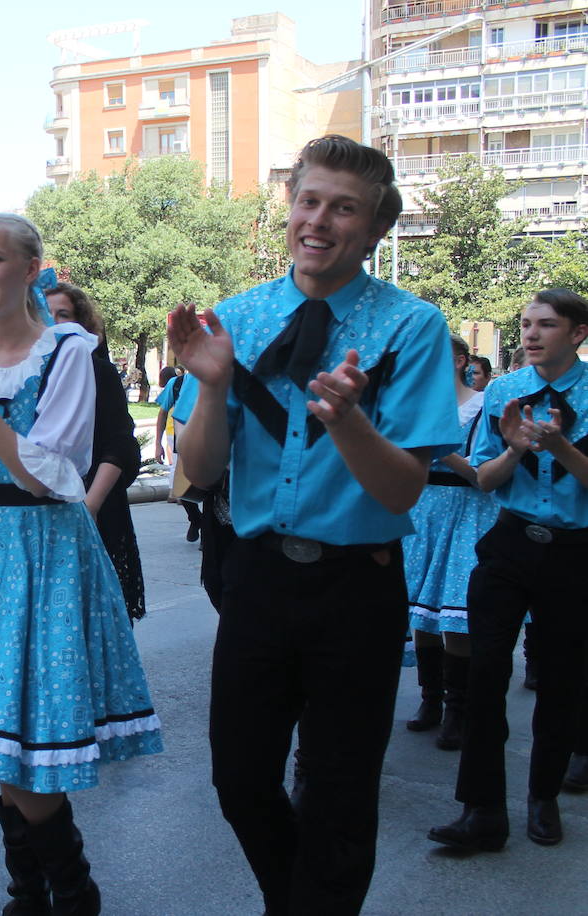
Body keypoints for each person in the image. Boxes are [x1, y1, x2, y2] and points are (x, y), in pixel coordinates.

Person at [168, 136, 461, 915]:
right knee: (240, 780)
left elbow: (402, 493)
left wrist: (349, 422)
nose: (320, 220)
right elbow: (198, 471)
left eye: (344, 208)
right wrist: (210, 385)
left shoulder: (413, 327)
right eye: (309, 200)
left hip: (356, 587)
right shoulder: (238, 316)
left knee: (339, 794)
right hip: (257, 576)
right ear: (289, 206)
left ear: (372, 230)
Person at [0, 213, 162, 913]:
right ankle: (33, 889)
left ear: (31, 268)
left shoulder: (68, 352)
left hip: (47, 545)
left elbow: (47, 474)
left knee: (25, 721)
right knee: (1, 721)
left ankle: (69, 891)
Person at [429, 289, 588, 852]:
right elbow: (485, 479)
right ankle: (482, 809)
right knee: (486, 670)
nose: (531, 333)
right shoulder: (505, 391)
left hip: (574, 552)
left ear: (577, 333)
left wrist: (561, 446)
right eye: (525, 324)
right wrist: (516, 449)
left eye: (546, 324)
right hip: (510, 543)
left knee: (562, 679)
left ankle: (542, 798)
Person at [402, 335, 499, 752]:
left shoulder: (483, 407)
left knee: (454, 614)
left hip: (466, 511)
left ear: (460, 360)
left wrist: (442, 454)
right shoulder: (419, 406)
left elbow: (486, 475)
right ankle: (431, 701)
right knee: (422, 615)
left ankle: (458, 708)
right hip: (422, 509)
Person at [46, 281, 147, 622]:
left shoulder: (97, 371)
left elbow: (120, 443)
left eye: (64, 316)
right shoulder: (25, 378)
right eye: (46, 316)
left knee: (96, 624)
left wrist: (89, 508)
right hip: (39, 519)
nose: (55, 325)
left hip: (94, 514)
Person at [155, 365, 202, 542]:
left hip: (214, 440)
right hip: (183, 442)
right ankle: (196, 519)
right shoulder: (176, 383)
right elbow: (163, 412)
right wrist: (158, 443)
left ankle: (207, 531)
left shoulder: (223, 377)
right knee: (183, 489)